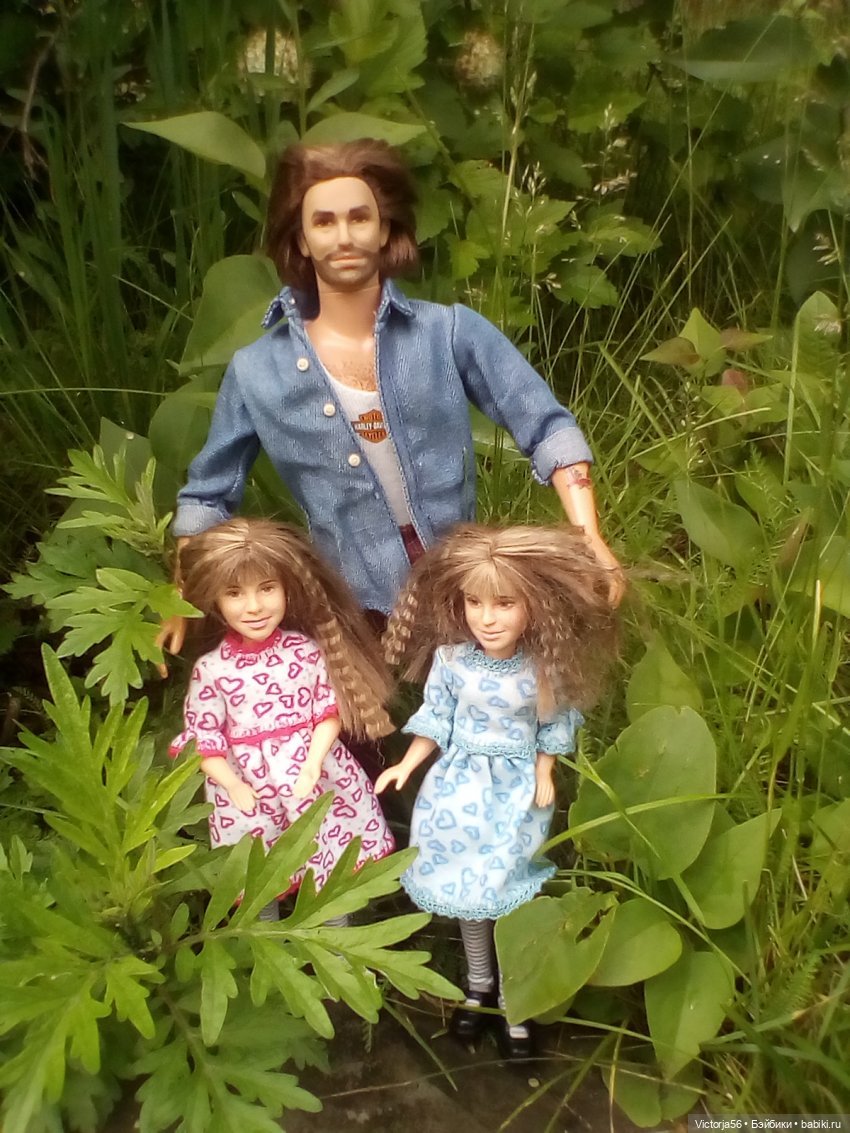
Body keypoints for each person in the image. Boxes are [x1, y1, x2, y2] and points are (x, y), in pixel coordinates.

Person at [159, 138, 622, 667]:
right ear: (301, 239)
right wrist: (178, 595)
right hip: (348, 599)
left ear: (384, 230)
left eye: (359, 218)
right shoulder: (257, 371)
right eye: (324, 222)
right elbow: (209, 495)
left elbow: (546, 426)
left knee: (486, 696)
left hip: (461, 585)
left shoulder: (448, 333)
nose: (344, 237)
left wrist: (589, 537)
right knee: (360, 712)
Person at [375, 524, 619, 1056]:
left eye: (504, 604)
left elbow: (552, 724)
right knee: (469, 895)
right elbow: (436, 718)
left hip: (514, 794)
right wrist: (407, 764)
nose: (487, 618)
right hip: (456, 793)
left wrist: (545, 772)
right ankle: (478, 987)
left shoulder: (540, 669)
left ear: (534, 606)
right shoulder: (452, 662)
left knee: (505, 894)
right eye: (475, 603)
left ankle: (514, 1001)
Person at [168, 517, 395, 922]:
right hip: (249, 790)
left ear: (287, 588)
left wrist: (313, 763)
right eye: (234, 594)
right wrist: (233, 784)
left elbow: (327, 712)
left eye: (267, 588)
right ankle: (268, 945)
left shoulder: (305, 652)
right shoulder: (213, 670)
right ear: (215, 601)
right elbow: (205, 739)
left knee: (330, 864)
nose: (254, 606)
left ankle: (339, 947)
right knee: (257, 876)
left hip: (313, 777)